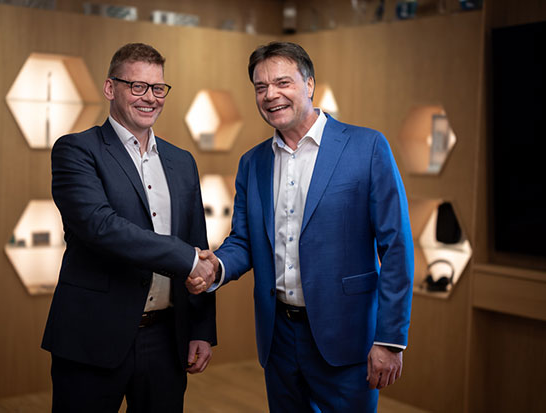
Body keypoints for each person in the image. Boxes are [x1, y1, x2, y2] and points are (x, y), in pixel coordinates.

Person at [196, 41, 414, 412]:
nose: (270, 95)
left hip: (347, 336)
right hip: (278, 337)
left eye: (282, 82)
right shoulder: (252, 163)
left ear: (309, 84)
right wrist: (216, 266)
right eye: (261, 87)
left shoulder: (367, 147)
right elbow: (245, 241)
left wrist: (390, 340)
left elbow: (396, 247)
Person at [41, 43, 217, 412]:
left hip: (166, 339)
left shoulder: (182, 161)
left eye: (158, 88)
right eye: (137, 86)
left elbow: (196, 241)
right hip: (93, 335)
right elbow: (101, 226)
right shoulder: (77, 150)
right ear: (110, 88)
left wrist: (201, 329)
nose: (150, 98)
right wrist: (187, 259)